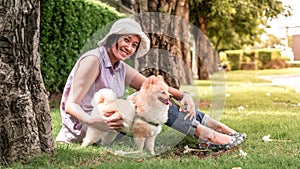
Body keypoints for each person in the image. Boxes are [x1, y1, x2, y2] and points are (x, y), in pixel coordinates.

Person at [56, 18, 246, 151]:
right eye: (126, 40)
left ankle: (218, 128)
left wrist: (183, 95)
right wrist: (93, 121)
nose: (129, 47)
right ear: (114, 38)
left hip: (110, 126)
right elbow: (71, 104)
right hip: (90, 128)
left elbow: (149, 85)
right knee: (152, 103)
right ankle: (210, 137)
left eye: (134, 45)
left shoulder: (119, 66)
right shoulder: (93, 60)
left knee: (155, 96)